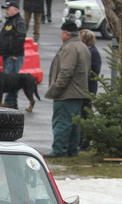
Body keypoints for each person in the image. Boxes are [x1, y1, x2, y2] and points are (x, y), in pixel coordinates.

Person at [43, 21, 91, 158]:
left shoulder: (70, 48)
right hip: (79, 92)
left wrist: (56, 88)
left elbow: (66, 72)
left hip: (67, 93)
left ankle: (59, 151)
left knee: (62, 123)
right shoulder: (82, 46)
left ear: (65, 33)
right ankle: (71, 151)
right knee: (74, 125)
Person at [0, 1, 27, 108]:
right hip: (7, 55)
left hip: (13, 56)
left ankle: (10, 102)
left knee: (12, 80)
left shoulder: (19, 22)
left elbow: (20, 37)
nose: (6, 11)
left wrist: (15, 53)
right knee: (9, 79)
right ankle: (10, 102)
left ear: (16, 10)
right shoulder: (11, 20)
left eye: (9, 9)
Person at [78, 28, 100, 151]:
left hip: (88, 88)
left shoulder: (91, 53)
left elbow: (93, 72)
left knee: (85, 114)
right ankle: (81, 140)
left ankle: (84, 141)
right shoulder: (91, 51)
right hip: (87, 88)